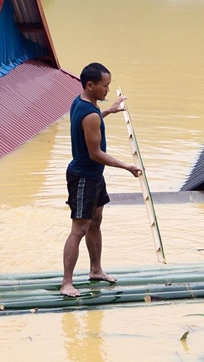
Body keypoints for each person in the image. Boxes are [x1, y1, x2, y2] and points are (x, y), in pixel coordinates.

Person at [61, 62, 142, 298]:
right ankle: (67, 283)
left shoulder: (83, 103)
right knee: (78, 229)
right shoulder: (90, 114)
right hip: (84, 176)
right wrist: (126, 165)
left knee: (96, 221)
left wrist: (110, 110)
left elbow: (92, 121)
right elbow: (95, 153)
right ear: (90, 85)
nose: (108, 90)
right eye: (105, 86)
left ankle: (96, 270)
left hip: (95, 175)